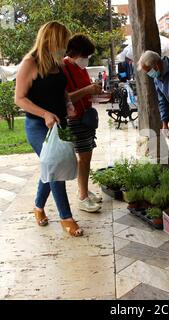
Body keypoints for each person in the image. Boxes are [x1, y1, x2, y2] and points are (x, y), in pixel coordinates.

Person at [15, 21, 83, 236]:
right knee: (55, 167)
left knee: (51, 166)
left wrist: (69, 104)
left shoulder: (57, 63)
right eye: (63, 41)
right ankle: (66, 217)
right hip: (37, 125)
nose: (66, 46)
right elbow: (19, 99)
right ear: (52, 40)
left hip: (60, 124)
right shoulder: (30, 62)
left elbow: (60, 91)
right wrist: (44, 113)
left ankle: (38, 207)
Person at [63, 34, 102, 212]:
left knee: (86, 157)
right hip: (74, 119)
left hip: (85, 117)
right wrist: (87, 89)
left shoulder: (80, 68)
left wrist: (95, 91)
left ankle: (84, 190)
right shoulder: (64, 67)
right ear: (76, 53)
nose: (86, 60)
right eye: (85, 56)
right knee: (84, 158)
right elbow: (64, 98)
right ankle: (82, 197)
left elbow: (84, 91)